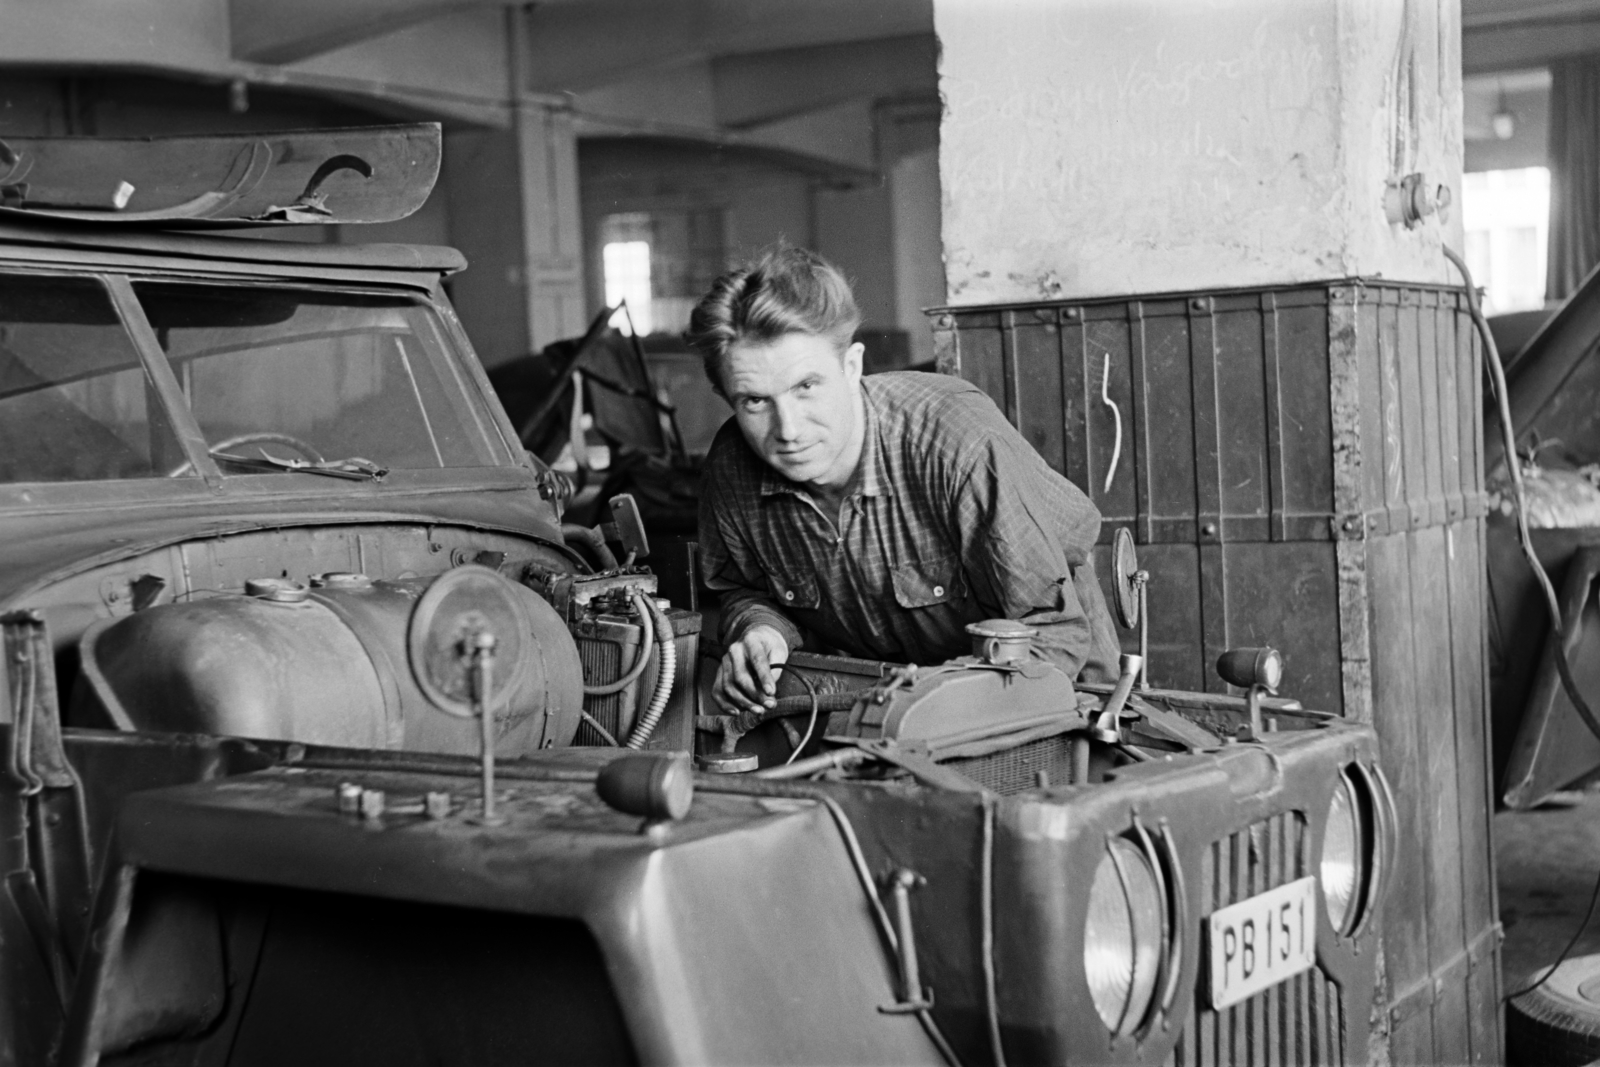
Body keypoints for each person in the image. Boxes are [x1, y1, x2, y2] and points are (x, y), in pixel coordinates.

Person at [687, 247, 1120, 715]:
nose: (788, 429)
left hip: (1046, 680)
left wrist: (930, 709)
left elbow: (1051, 631)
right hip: (883, 699)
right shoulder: (731, 469)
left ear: (851, 367)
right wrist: (760, 631)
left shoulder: (959, 444)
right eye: (754, 401)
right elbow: (741, 589)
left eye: (806, 387)